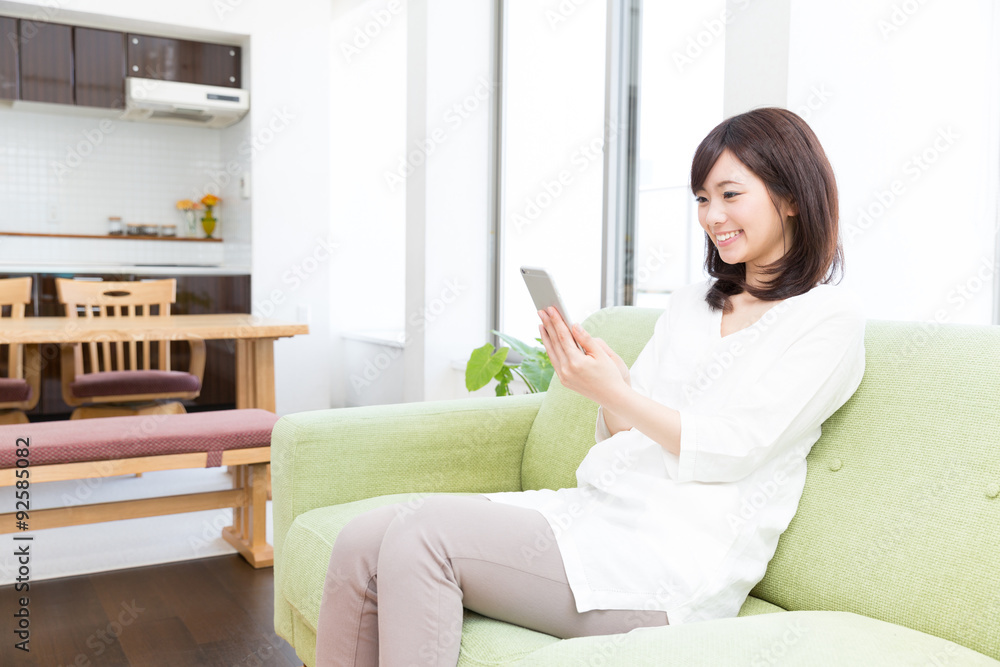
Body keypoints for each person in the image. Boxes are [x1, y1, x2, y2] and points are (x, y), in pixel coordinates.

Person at [314, 107, 866, 666]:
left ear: (791, 196)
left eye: (729, 195)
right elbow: (622, 436)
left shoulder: (827, 320)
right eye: (702, 198)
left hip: (675, 559)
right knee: (363, 540)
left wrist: (622, 395)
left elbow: (737, 447)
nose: (711, 215)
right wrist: (608, 389)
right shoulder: (692, 305)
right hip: (599, 513)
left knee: (424, 534)